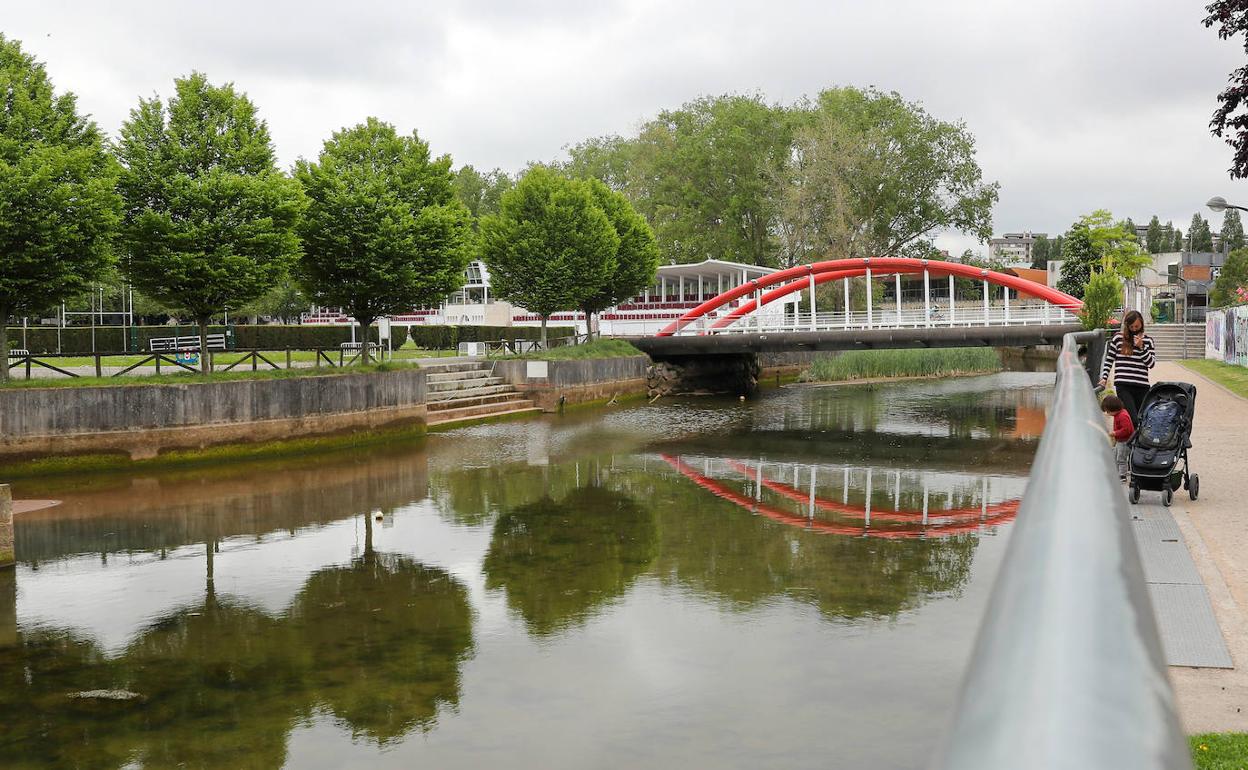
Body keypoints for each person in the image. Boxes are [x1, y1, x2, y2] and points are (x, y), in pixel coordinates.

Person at [1098, 310, 1155, 427]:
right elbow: (1109, 360)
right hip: (1123, 385)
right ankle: (1129, 443)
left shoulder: (1148, 341)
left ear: (1142, 325)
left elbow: (1151, 363)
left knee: (1142, 419)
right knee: (1132, 419)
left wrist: (1142, 347)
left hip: (1142, 385)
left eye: (1137, 326)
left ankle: (1135, 444)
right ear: (1127, 326)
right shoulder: (1118, 338)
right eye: (1132, 326)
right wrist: (1104, 377)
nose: (1134, 329)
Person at [1102, 394, 1134, 482]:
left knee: (1121, 458)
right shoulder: (1119, 414)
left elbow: (1127, 430)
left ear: (1113, 408)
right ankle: (1116, 472)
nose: (1107, 413)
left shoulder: (1122, 416)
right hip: (1120, 441)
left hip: (1125, 441)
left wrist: (1115, 433)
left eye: (1108, 411)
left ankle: (1122, 475)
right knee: (1115, 455)